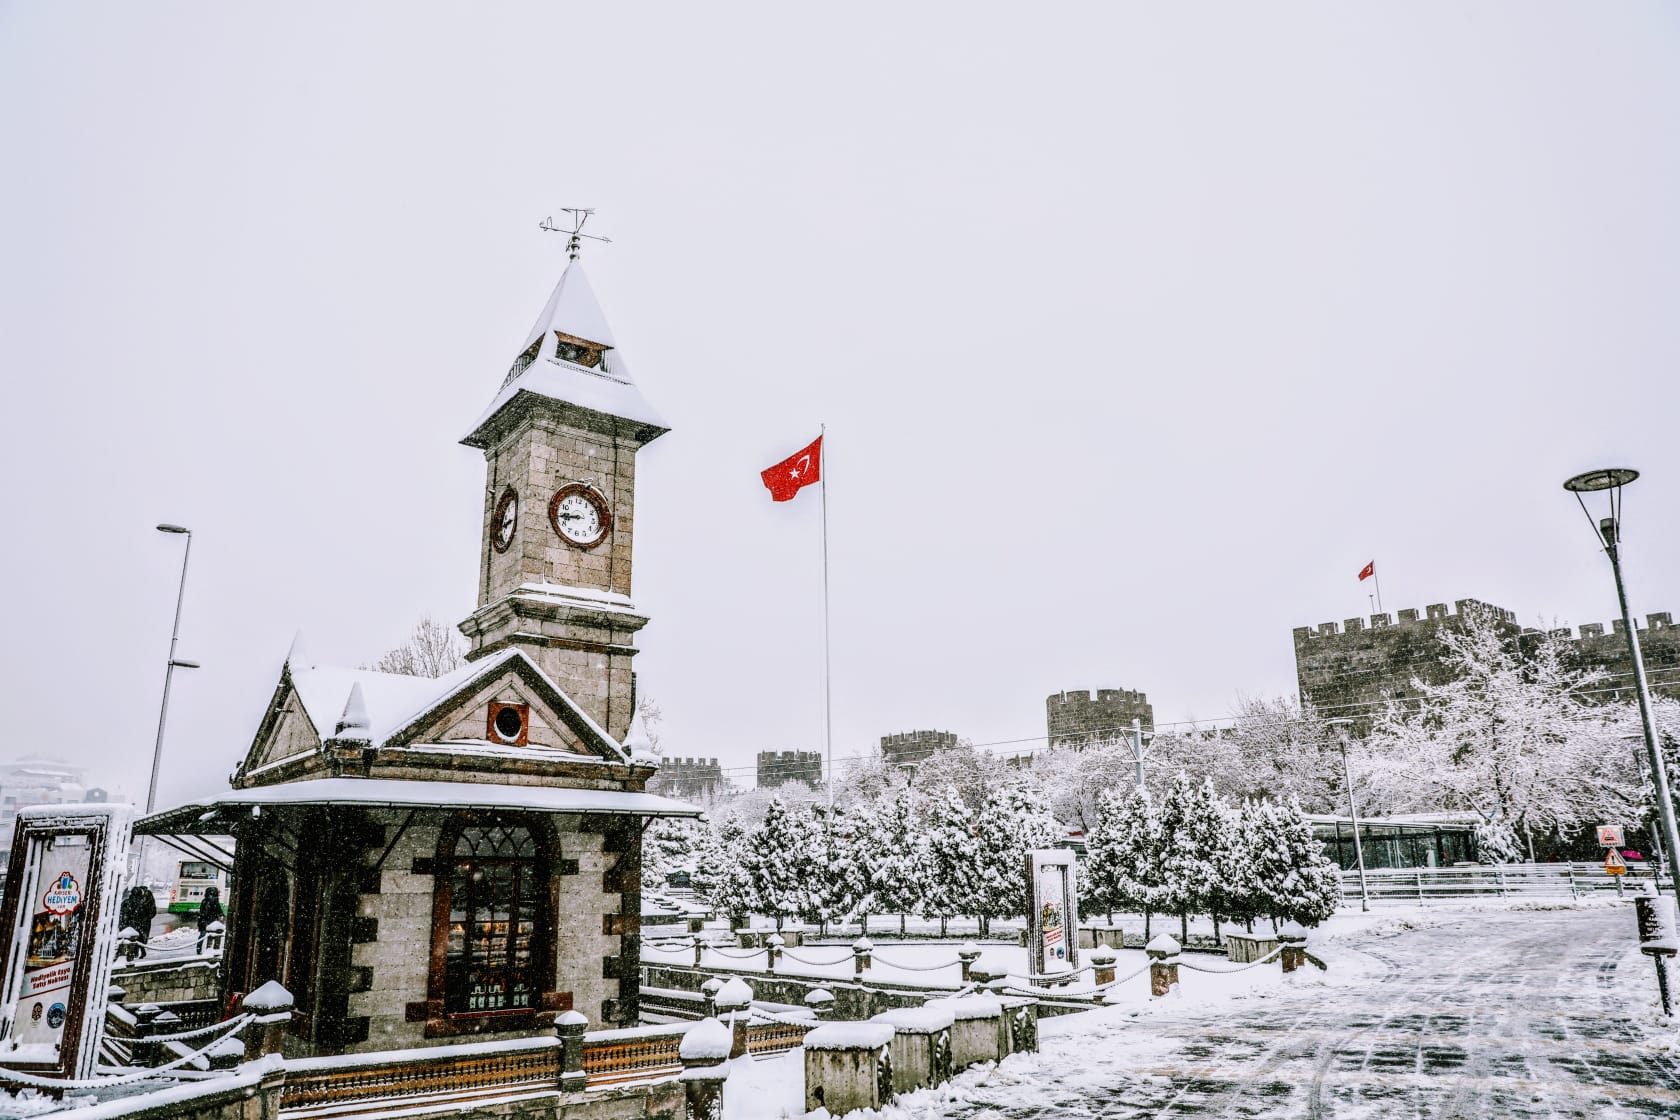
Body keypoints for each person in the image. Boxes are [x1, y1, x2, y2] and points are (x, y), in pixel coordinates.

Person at [119, 885, 157, 959]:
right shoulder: (137, 901)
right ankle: (138, 952)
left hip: (136, 922)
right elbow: (152, 912)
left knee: (137, 937)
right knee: (139, 937)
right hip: (139, 922)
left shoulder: (132, 901)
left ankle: (137, 952)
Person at [196, 885, 225, 953]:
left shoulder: (204, 900)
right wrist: (221, 915)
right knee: (212, 936)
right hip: (211, 922)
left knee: (202, 936)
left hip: (203, 921)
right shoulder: (214, 900)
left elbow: (202, 911)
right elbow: (219, 910)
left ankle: (198, 950)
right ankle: (211, 951)